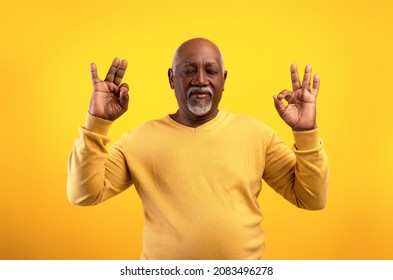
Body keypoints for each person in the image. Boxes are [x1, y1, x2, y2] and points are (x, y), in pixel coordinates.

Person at [67, 38, 329, 260]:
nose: (200, 80)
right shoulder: (138, 139)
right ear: (172, 78)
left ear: (223, 79)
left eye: (211, 71)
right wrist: (97, 122)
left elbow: (311, 199)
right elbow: (83, 195)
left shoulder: (257, 135)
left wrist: (306, 132)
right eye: (189, 70)